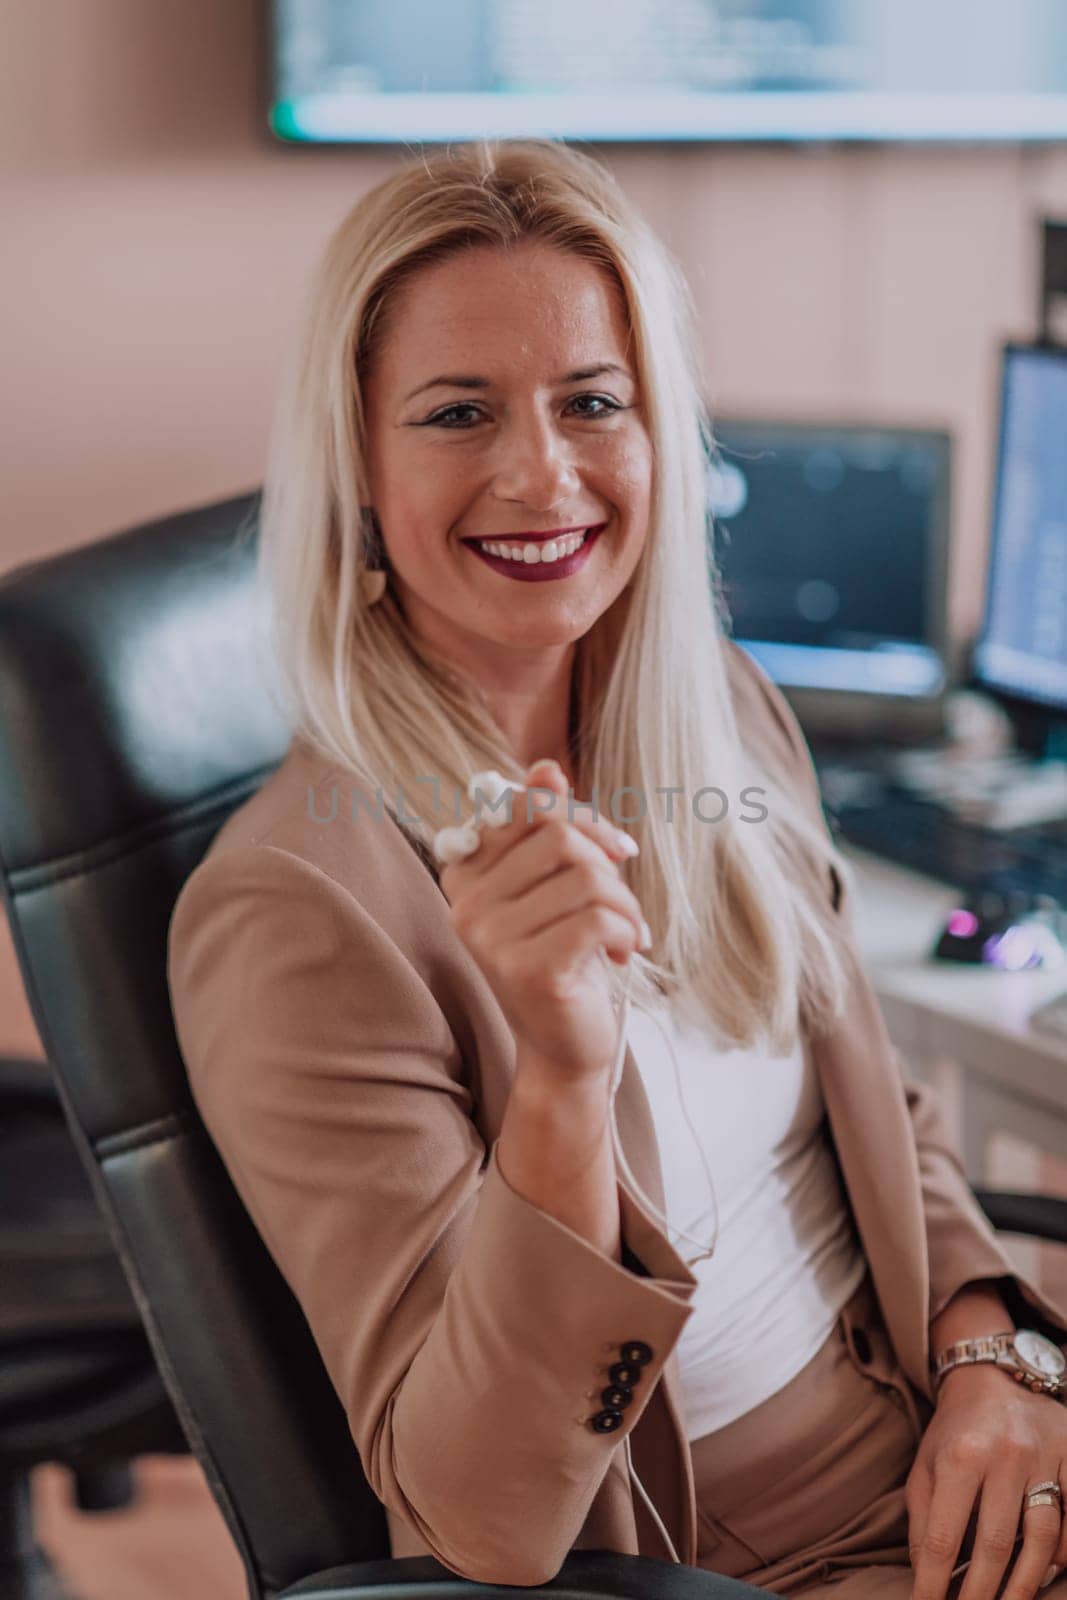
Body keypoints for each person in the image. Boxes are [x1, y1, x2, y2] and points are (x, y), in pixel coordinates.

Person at [166, 138, 1067, 1599]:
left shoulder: (713, 707)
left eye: (595, 402)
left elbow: (879, 1110)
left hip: (945, 1424)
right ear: (357, 468)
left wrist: (995, 1354)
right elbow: (479, 1511)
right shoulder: (297, 911)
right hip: (741, 1555)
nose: (544, 473)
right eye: (458, 413)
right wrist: (564, 1081)